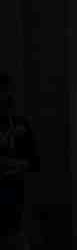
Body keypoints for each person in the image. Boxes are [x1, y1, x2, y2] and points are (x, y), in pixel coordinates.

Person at [0, 73, 40, 234]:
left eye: (7, 92)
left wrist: (12, 164)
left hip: (16, 200)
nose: (5, 98)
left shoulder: (21, 126)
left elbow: (35, 162)